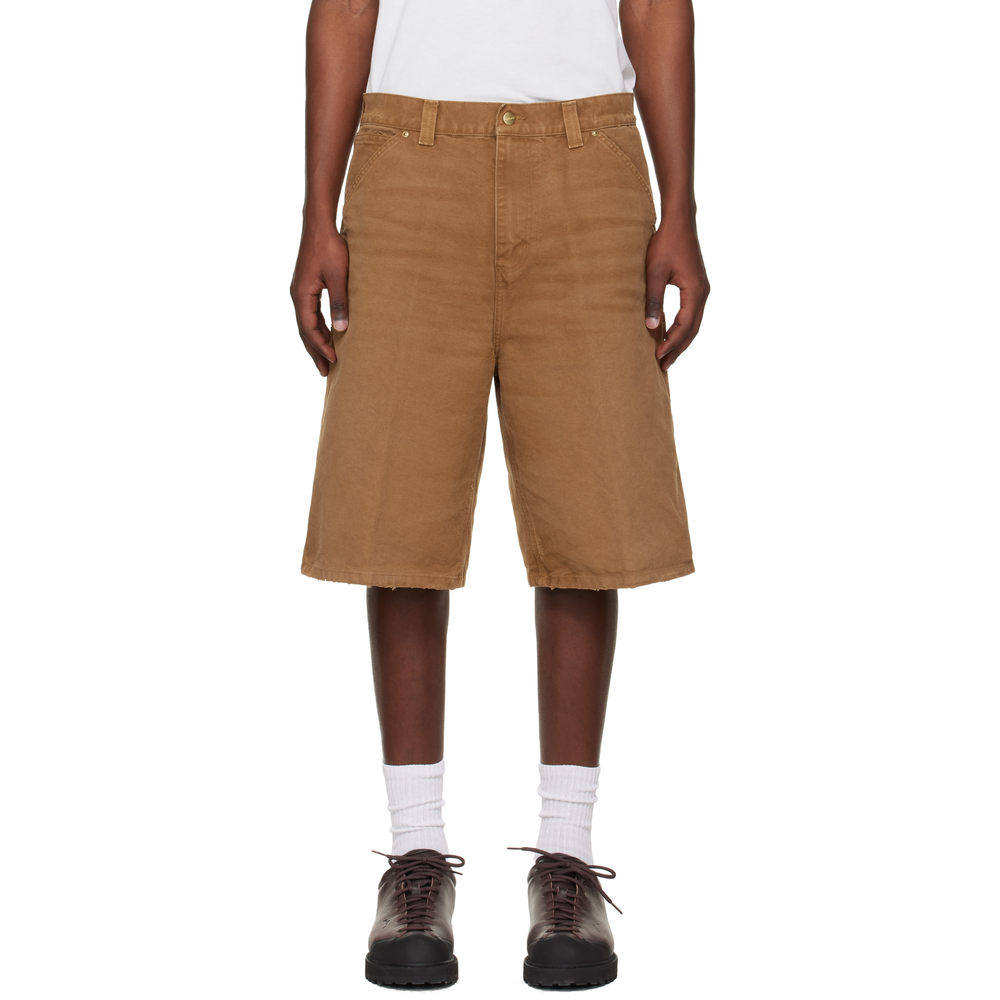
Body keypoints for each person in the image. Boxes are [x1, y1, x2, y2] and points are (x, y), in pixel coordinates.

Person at [290, 0, 709, 988]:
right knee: (399, 515)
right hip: (406, 158)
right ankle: (414, 858)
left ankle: (567, 859)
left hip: (589, 158)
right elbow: (344, 7)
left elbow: (654, 5)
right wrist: (316, 213)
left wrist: (680, 208)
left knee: (585, 516)